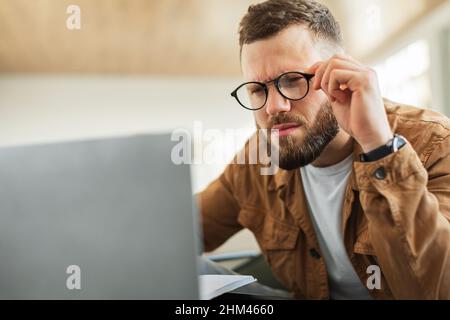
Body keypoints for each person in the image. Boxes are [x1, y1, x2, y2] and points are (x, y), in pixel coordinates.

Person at [199, 0, 450, 299]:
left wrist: (380, 149)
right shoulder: (257, 159)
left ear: (340, 73)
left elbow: (436, 289)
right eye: (257, 89)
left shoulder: (434, 143)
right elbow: (178, 231)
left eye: (292, 80)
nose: (274, 106)